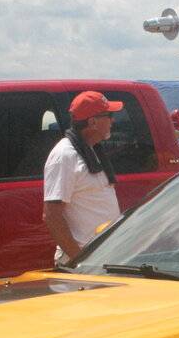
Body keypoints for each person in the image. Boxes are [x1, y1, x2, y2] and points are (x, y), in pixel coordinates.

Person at [43, 91, 122, 264]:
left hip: (103, 257)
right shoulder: (65, 156)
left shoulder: (92, 149)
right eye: (109, 116)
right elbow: (52, 216)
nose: (113, 121)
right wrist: (80, 262)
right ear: (93, 122)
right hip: (84, 262)